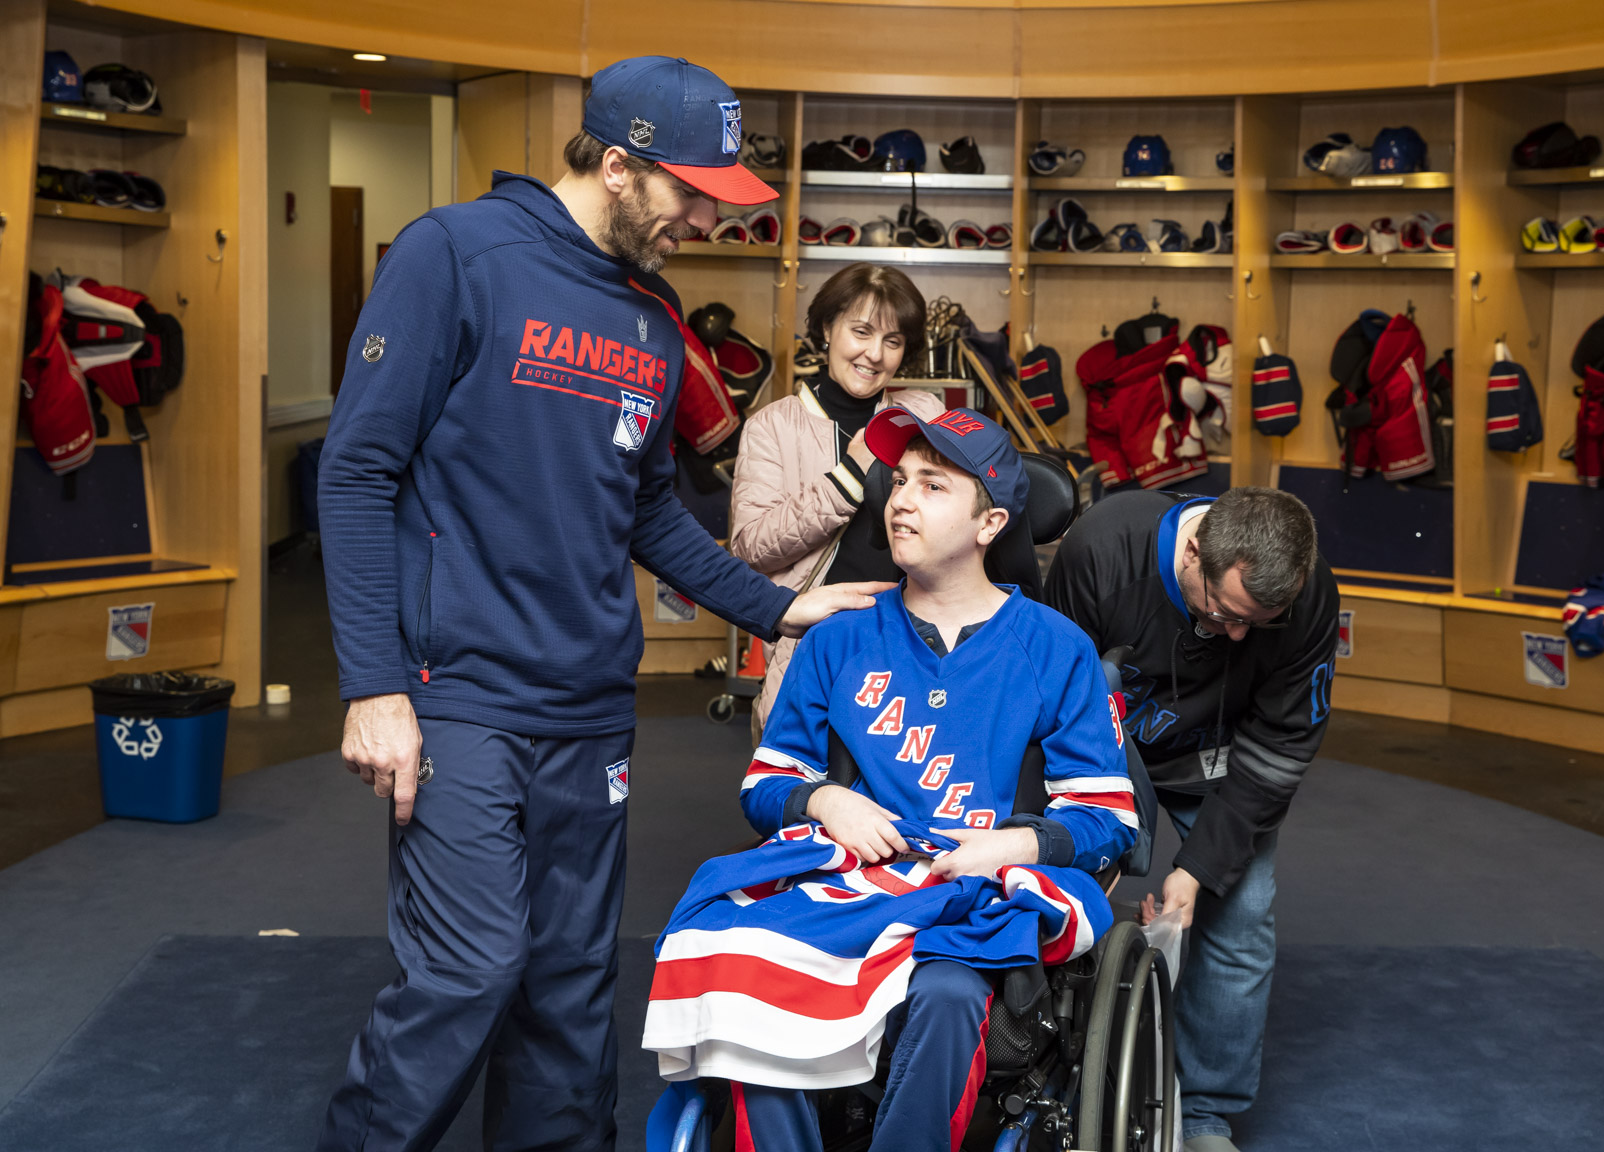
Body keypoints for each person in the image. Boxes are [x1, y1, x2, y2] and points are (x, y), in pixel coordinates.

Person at [315, 56, 889, 1152]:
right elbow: (355, 471)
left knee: (572, 997)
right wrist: (374, 687)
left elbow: (649, 511)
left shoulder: (650, 312)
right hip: (462, 697)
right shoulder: (454, 255)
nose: (700, 223)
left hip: (589, 708)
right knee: (469, 972)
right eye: (688, 195)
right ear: (618, 167)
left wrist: (773, 608)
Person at [645, 406, 1137, 1150]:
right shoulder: (839, 638)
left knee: (944, 992)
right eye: (898, 480)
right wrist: (823, 798)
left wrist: (1013, 848)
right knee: (736, 957)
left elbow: (1110, 820)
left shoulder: (1054, 648)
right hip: (851, 884)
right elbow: (765, 786)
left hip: (971, 898)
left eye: (932, 486)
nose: (900, 499)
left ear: (989, 522)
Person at [1044, 485, 1339, 1152]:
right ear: (1195, 550)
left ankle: (1204, 1111)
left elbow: (1281, 746)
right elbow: (1049, 695)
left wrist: (1199, 869)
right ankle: (1055, 1065)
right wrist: (1093, 836)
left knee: (1242, 909)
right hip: (1106, 741)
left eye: (1258, 624)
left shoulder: (1308, 589)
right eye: (1226, 611)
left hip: (1220, 754)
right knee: (1065, 888)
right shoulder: (1103, 547)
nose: (1236, 635)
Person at [728, 262, 944, 736]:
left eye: (892, 341)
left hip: (914, 640)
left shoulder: (923, 412)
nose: (874, 354)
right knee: (806, 791)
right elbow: (750, 548)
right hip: (818, 641)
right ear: (828, 328)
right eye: (861, 332)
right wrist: (849, 476)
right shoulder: (773, 426)